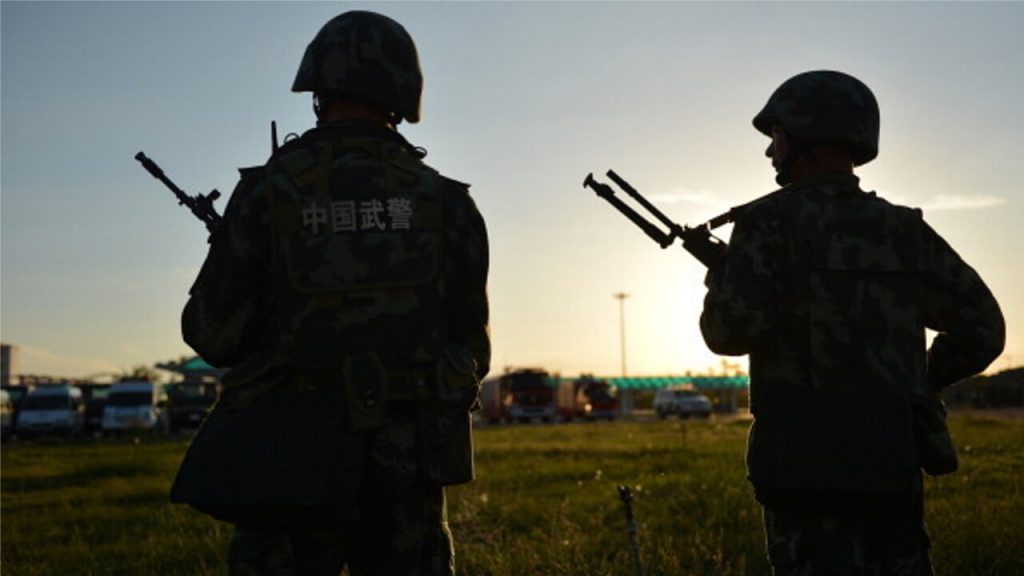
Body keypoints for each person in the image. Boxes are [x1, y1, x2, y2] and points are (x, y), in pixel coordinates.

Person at [169, 11, 490, 576]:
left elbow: (213, 335)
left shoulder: (267, 194)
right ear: (402, 94)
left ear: (318, 89)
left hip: (285, 457)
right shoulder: (447, 203)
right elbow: (472, 348)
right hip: (407, 464)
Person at [699, 70, 1005, 575]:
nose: (770, 152)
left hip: (801, 473)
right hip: (888, 463)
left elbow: (726, 333)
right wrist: (915, 384)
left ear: (806, 135)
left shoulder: (765, 225)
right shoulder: (903, 230)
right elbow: (984, 330)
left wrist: (722, 278)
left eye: (777, 137)